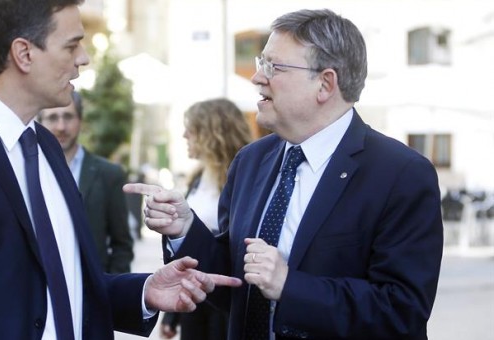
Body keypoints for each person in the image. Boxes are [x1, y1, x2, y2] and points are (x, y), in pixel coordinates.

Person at [0, 1, 241, 339]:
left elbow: (61, 288)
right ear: (24, 53)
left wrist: (145, 291)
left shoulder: (46, 147)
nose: (82, 59)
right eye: (71, 46)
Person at [125, 8, 443, 340]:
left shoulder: (401, 174)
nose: (257, 77)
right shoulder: (250, 160)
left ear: (325, 83)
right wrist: (184, 229)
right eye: (262, 63)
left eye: (274, 67)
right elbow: (232, 283)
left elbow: (401, 312)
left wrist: (290, 286)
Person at [160, 98, 252, 339]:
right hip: (194, 299)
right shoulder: (197, 178)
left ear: (212, 131)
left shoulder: (244, 176)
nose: (184, 135)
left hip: (226, 302)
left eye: (191, 128)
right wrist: (173, 315)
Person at [40, 90, 134, 274]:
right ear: (40, 123)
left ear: (80, 121)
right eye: (52, 117)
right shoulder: (29, 172)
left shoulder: (110, 175)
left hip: (93, 292)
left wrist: (112, 293)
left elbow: (122, 245)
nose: (61, 126)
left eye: (68, 116)